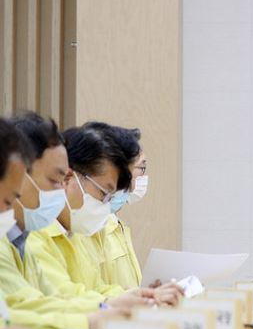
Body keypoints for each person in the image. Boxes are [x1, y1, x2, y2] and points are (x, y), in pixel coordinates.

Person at [24, 124, 178, 306]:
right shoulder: (33, 234)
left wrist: (141, 295)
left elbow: (95, 289)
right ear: (68, 178)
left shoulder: (73, 233)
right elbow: (64, 299)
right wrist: (114, 303)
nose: (106, 206)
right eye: (104, 193)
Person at [0, 116, 125, 329]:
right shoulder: (26, 236)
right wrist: (95, 316)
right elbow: (19, 310)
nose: (61, 190)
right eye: (55, 180)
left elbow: (46, 300)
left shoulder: (22, 237)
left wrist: (107, 306)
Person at [81, 122, 145, 288]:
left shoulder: (114, 224)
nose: (130, 184)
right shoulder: (88, 226)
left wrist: (143, 296)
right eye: (140, 167)